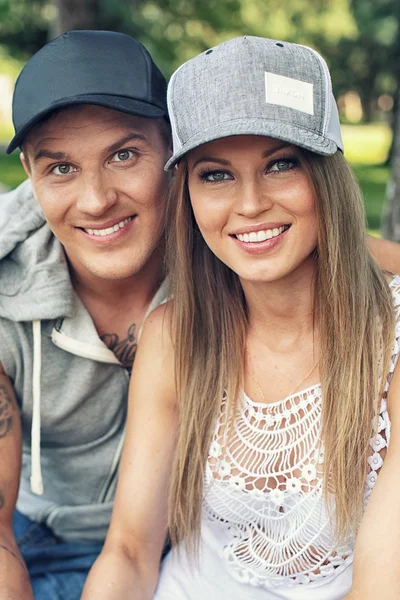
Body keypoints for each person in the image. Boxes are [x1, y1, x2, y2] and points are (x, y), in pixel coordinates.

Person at [82, 36, 400, 600]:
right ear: (188, 195)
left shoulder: (390, 338)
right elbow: (130, 552)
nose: (250, 204)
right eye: (216, 174)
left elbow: (380, 587)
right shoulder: (176, 336)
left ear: (327, 177)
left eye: (282, 164)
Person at [0, 30, 172, 600]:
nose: (96, 200)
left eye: (124, 155)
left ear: (172, 149)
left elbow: (346, 248)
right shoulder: (3, 299)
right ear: (29, 169)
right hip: (37, 542)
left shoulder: (233, 237)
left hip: (188, 542)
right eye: (61, 169)